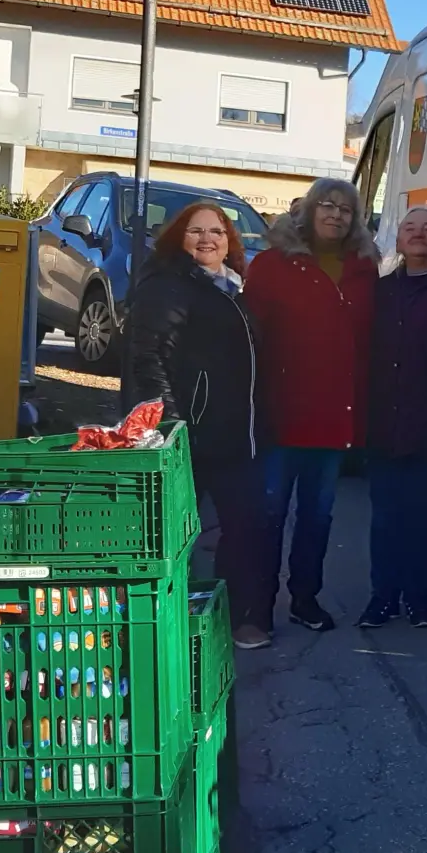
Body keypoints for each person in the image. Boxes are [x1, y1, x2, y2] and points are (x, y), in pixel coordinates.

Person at [125, 202, 271, 649]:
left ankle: (238, 617)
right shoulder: (168, 286)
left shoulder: (229, 288)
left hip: (233, 435)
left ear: (230, 241)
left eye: (218, 231)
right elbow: (147, 358)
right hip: (188, 435)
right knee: (177, 530)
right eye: (196, 231)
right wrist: (172, 426)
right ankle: (167, 622)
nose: (208, 239)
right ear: (177, 238)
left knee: (246, 525)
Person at [244, 180, 380, 632]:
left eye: (346, 209)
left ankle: (306, 598)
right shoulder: (270, 265)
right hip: (281, 416)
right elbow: (250, 340)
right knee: (268, 515)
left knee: (318, 517)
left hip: (334, 418)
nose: (336, 215)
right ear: (307, 210)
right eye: (328, 205)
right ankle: (258, 610)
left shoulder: (363, 269)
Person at [359, 207, 427, 629]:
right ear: (397, 242)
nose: (418, 235)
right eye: (410, 228)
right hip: (382, 422)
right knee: (385, 518)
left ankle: (419, 598)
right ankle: (383, 597)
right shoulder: (379, 292)